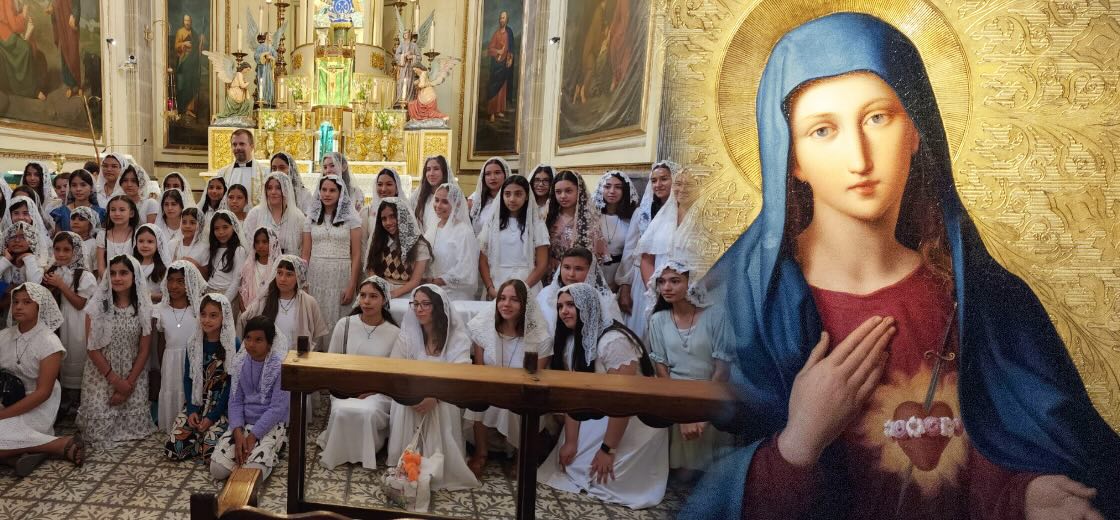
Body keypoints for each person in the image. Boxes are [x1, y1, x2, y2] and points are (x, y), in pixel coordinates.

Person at [682, 13, 1120, 519]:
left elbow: (998, 448)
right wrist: (797, 444)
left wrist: (1028, 494)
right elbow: (688, 473)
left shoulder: (984, 299)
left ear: (916, 129)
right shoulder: (738, 303)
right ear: (792, 158)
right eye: (823, 130)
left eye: (878, 118)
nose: (858, 157)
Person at [537, 283, 668, 509]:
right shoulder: (572, 340)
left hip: (633, 417)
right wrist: (570, 441)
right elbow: (575, 395)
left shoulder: (613, 341)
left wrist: (608, 450)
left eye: (570, 305)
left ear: (587, 306)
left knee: (604, 476)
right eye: (559, 307)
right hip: (599, 411)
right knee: (571, 464)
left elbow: (624, 401)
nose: (563, 311)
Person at [644, 258, 733, 481]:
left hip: (711, 394)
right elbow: (662, 372)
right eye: (662, 282)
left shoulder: (716, 315)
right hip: (676, 395)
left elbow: (722, 371)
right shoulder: (657, 320)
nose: (666, 287)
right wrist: (682, 414)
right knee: (680, 477)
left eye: (675, 281)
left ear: (691, 282)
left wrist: (702, 415)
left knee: (710, 476)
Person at [386, 285, 481, 491]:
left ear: (437, 307)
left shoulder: (456, 337)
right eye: (416, 304)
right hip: (412, 393)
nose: (419, 309)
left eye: (425, 304)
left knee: (440, 408)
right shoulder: (409, 334)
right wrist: (411, 394)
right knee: (404, 403)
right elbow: (396, 365)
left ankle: (435, 463)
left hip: (445, 395)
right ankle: (407, 461)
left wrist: (435, 397)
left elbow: (460, 375)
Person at [465, 279, 552, 478]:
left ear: (525, 304)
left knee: (519, 405)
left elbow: (535, 379)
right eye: (502, 298)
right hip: (490, 389)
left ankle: (521, 456)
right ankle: (481, 452)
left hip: (522, 392)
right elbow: (479, 370)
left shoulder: (540, 338)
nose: (506, 304)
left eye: (514, 300)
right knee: (476, 401)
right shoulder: (484, 331)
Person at [316, 276, 402, 469]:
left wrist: (373, 391)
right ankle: (339, 450)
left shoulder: (394, 333)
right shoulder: (344, 324)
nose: (366, 301)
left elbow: (395, 375)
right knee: (341, 410)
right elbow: (331, 362)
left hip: (380, 393)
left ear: (384, 300)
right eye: (363, 295)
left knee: (368, 411)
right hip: (345, 389)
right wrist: (345, 387)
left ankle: (368, 451)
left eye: (373, 296)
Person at [0, 283, 85, 477]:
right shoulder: (4, 337)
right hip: (6, 400)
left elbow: (43, 393)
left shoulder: (49, 342)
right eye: (16, 302)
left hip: (37, 406)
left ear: (40, 306)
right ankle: (21, 456)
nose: (19, 307)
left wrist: (3, 416)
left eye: (27, 302)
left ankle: (58, 444)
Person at [77, 255, 156, 449]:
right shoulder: (96, 308)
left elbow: (144, 350)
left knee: (136, 430)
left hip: (133, 375)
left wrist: (127, 384)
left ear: (134, 275)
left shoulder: (144, 308)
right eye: (112, 273)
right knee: (97, 432)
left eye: (123, 273)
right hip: (102, 375)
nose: (117, 278)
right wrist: (116, 381)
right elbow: (93, 349)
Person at [210, 316, 290, 481]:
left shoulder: (280, 367)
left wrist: (253, 437)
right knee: (217, 470)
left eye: (258, 340)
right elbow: (235, 401)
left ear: (269, 343)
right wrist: (238, 433)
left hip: (269, 425)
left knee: (250, 476)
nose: (251, 344)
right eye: (248, 338)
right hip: (243, 423)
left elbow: (277, 409)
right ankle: (244, 459)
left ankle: (271, 450)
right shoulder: (240, 363)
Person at [166, 294, 239, 462]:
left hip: (221, 408)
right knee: (173, 450)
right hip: (197, 403)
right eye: (203, 314)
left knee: (210, 455)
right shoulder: (193, 343)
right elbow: (188, 378)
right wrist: (191, 411)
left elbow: (231, 385)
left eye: (213, 315)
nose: (206, 320)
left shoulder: (232, 345)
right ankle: (197, 440)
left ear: (224, 317)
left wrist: (211, 417)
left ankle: (203, 443)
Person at [301, 175, 363, 334]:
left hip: (341, 275)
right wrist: (303, 282)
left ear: (340, 193)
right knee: (314, 319)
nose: (327, 194)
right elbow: (305, 254)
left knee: (338, 322)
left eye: (332, 190)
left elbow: (356, 255)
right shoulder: (311, 218)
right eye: (324, 190)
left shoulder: (352, 219)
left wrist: (352, 285)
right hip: (315, 275)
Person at [43, 232, 96, 409]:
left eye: (67, 249)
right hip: (57, 322)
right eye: (57, 249)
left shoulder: (84, 275)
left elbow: (79, 303)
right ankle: (62, 398)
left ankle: (80, 399)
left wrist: (61, 285)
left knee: (75, 352)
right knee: (59, 356)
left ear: (77, 251)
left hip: (76, 321)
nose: (61, 254)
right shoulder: (53, 271)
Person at [153, 261, 206, 432]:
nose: (173, 286)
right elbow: (161, 342)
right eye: (170, 280)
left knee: (189, 391)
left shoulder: (198, 311)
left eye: (180, 281)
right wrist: (162, 365)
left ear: (190, 282)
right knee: (172, 390)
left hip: (193, 360)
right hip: (170, 361)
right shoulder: (161, 310)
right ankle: (171, 426)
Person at [617, 161, 674, 323]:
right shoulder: (642, 213)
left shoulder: (681, 212)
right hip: (643, 281)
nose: (658, 185)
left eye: (664, 179)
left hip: (672, 281)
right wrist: (625, 287)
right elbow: (629, 251)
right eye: (654, 180)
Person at [478, 176, 550, 297]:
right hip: (497, 284)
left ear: (526, 196)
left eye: (518, 194)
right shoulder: (493, 224)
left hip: (527, 285)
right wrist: (490, 287)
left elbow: (542, 264)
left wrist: (522, 288)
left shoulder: (537, 224)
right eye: (507, 194)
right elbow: (483, 260)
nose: (512, 199)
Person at [238, 255, 328, 351]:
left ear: (298, 277)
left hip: (298, 360)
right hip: (268, 359)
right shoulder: (264, 300)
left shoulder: (309, 302)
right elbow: (245, 321)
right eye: (279, 273)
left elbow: (318, 337)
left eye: (289, 274)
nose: (282, 279)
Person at [536, 246, 622, 333]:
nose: (571, 274)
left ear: (591, 272)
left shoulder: (605, 300)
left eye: (578, 269)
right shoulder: (546, 295)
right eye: (567, 267)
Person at [364, 197, 432, 298]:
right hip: (380, 291)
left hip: (408, 295)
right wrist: (378, 291)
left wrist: (392, 294)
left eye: (393, 216)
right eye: (384, 219)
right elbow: (371, 269)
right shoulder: (379, 241)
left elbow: (415, 281)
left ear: (403, 216)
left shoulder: (419, 245)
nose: (388, 222)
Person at [425, 183, 479, 301]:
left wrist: (439, 280)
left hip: (455, 295)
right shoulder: (432, 229)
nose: (438, 206)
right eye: (437, 200)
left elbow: (467, 269)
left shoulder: (464, 232)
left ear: (457, 204)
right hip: (431, 291)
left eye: (445, 202)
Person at [545, 170, 602, 281]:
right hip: (551, 273)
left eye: (568, 191)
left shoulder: (590, 220)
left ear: (579, 191)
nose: (563, 196)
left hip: (577, 276)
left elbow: (595, 257)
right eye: (558, 192)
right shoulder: (547, 216)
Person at [593, 171, 638, 288]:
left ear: (625, 191)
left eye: (618, 187)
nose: (612, 191)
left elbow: (631, 251)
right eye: (607, 186)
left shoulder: (631, 219)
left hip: (621, 270)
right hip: (594, 271)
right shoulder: (593, 216)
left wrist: (623, 282)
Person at [243, 172, 306, 255]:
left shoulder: (298, 217)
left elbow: (302, 247)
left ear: (286, 190)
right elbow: (248, 244)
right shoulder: (255, 214)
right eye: (269, 188)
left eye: (278, 188)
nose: (273, 192)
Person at [202, 210, 248, 306]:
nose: (221, 232)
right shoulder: (212, 249)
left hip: (227, 297)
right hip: (209, 294)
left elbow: (236, 281)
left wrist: (223, 302)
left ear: (234, 227)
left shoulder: (238, 251)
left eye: (225, 227)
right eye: (216, 228)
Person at [215, 130, 269, 205]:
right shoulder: (222, 173)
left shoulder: (265, 172)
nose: (237, 148)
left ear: (252, 146)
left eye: (242, 144)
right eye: (234, 144)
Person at [363, 168, 410, 247]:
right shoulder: (366, 212)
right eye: (380, 184)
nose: (383, 189)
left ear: (397, 188)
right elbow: (363, 244)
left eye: (389, 184)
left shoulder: (406, 211)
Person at [50, 169, 105, 233]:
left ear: (91, 187)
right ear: (70, 188)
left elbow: (102, 237)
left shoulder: (100, 212)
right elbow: (58, 238)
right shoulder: (61, 212)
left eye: (83, 185)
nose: (78, 189)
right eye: (74, 185)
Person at [96, 196, 140, 276]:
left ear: (131, 213)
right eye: (113, 210)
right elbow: (101, 267)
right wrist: (110, 282)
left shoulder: (137, 235)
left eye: (122, 210)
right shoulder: (102, 235)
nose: (117, 213)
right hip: (107, 281)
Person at [238, 226, 281, 309]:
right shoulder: (248, 266)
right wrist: (245, 312)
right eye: (257, 242)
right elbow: (241, 290)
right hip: (248, 310)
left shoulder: (277, 267)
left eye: (265, 242)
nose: (260, 246)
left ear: (272, 243)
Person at [173, 14, 206, 119]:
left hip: (193, 63)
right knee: (185, 85)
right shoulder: (180, 32)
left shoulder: (194, 33)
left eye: (189, 21)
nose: (187, 22)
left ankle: (189, 109)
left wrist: (201, 40)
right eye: (185, 20)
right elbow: (176, 46)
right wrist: (184, 44)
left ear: (191, 22)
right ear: (183, 21)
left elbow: (198, 48)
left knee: (192, 84)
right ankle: (182, 108)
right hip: (184, 61)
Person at [411, 155, 454, 233]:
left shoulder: (452, 196)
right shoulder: (419, 196)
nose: (431, 173)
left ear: (444, 172)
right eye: (428, 169)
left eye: (436, 169)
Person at [486, 11, 515, 122]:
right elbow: (490, 50)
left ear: (507, 20)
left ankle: (499, 110)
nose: (502, 20)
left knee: (502, 87)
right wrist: (498, 51)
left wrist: (510, 58)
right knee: (494, 88)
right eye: (500, 18)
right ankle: (492, 112)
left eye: (504, 18)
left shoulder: (509, 33)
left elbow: (511, 48)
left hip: (505, 64)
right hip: (496, 65)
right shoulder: (496, 34)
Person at [469, 157, 509, 236]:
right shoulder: (476, 199)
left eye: (497, 173)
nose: (492, 178)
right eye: (488, 174)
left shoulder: (511, 199)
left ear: (505, 175)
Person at [134, 224, 171, 303]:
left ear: (158, 244)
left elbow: (167, 294)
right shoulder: (133, 265)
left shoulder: (163, 268)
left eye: (150, 242)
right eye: (141, 241)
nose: (145, 245)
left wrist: (148, 296)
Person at [0, 222, 44, 289]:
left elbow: (35, 284)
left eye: (23, 237)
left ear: (31, 241)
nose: (17, 240)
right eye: (12, 237)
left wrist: (29, 257)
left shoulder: (37, 261)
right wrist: (6, 260)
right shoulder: (4, 260)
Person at [70, 206, 100, 270]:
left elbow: (96, 270)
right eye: (73, 219)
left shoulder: (94, 244)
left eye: (81, 219)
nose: (75, 222)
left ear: (91, 224)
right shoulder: (66, 241)